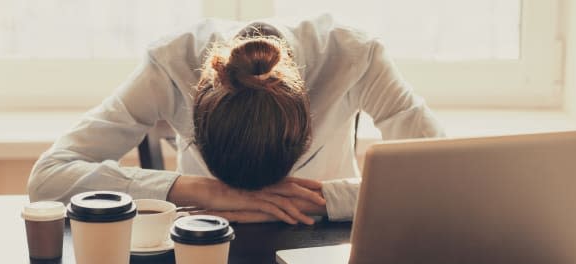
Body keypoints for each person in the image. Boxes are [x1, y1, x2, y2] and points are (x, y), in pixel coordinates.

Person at [27, 14, 445, 225]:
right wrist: (202, 191)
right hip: (207, 233)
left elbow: (445, 176)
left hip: (326, 241)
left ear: (305, 118)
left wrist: (322, 200)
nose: (260, 197)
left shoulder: (356, 56)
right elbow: (49, 177)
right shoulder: (172, 62)